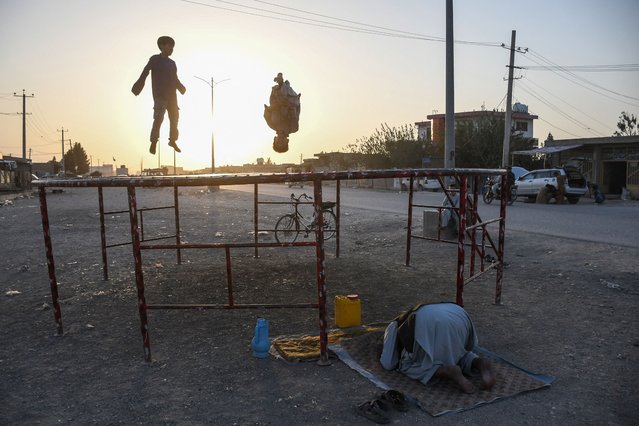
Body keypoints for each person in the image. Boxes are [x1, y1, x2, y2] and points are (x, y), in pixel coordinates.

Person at [380, 302, 495, 394]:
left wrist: (381, 350)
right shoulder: (413, 313)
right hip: (457, 313)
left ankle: (446, 371)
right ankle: (479, 362)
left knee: (406, 365)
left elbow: (388, 363)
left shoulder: (393, 326)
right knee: (458, 353)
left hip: (429, 323)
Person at [132, 36, 186, 155]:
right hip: (160, 95)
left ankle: (172, 140)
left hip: (172, 97)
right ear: (162, 46)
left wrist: (181, 87)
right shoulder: (154, 59)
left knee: (175, 118)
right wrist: (138, 86)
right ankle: (154, 141)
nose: (171, 49)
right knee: (158, 118)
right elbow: (145, 72)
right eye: (169, 46)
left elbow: (175, 79)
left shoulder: (172, 64)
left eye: (173, 47)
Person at [264, 73, 301, 153]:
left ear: (275, 139)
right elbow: (294, 112)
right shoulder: (293, 128)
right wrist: (286, 105)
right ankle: (282, 85)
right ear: (287, 141)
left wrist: (273, 107)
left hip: (276, 99)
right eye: (282, 143)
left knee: (279, 97)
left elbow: (266, 111)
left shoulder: (272, 124)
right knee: (284, 97)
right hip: (291, 101)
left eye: (278, 142)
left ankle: (281, 85)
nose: (280, 141)